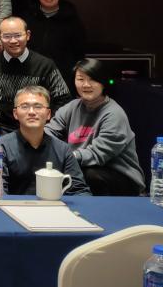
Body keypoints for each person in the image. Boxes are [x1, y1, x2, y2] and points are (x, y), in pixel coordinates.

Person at [46, 58, 145, 196]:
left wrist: (66, 156)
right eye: (80, 79)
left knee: (89, 173)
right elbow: (49, 132)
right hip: (82, 167)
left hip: (121, 178)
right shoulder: (72, 107)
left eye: (92, 79)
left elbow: (97, 154)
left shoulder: (114, 114)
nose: (86, 85)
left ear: (103, 82)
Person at [0, 16, 73, 135]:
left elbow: (63, 99)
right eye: (7, 36)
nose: (13, 41)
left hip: (36, 130)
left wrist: (45, 126)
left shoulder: (44, 65)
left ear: (28, 35)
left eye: (18, 35)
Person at [0, 85, 90, 196]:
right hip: (12, 206)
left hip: (53, 206)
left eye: (38, 106)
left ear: (48, 114)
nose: (31, 112)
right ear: (15, 113)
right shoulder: (0, 148)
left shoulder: (63, 150)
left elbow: (79, 191)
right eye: (25, 106)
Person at [25, 0, 86, 91]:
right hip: (32, 76)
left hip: (63, 77)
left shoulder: (71, 19)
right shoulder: (28, 17)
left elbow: (79, 52)